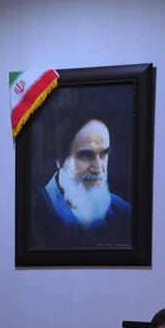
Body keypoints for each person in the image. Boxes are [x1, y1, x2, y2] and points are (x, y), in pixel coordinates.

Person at [32, 99, 132, 249]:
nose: (98, 168)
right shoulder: (35, 214)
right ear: (60, 159)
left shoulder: (124, 212)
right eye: (86, 155)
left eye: (104, 154)